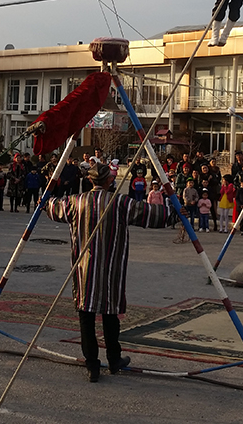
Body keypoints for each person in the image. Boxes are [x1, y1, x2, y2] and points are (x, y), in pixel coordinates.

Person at [45, 162, 181, 381]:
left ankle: (92, 365)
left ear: (90, 181)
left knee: (86, 316)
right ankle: (114, 358)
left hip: (84, 269)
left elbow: (51, 207)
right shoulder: (119, 202)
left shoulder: (75, 202)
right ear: (110, 181)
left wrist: (48, 193)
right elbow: (150, 214)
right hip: (111, 269)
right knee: (110, 315)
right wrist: (175, 213)